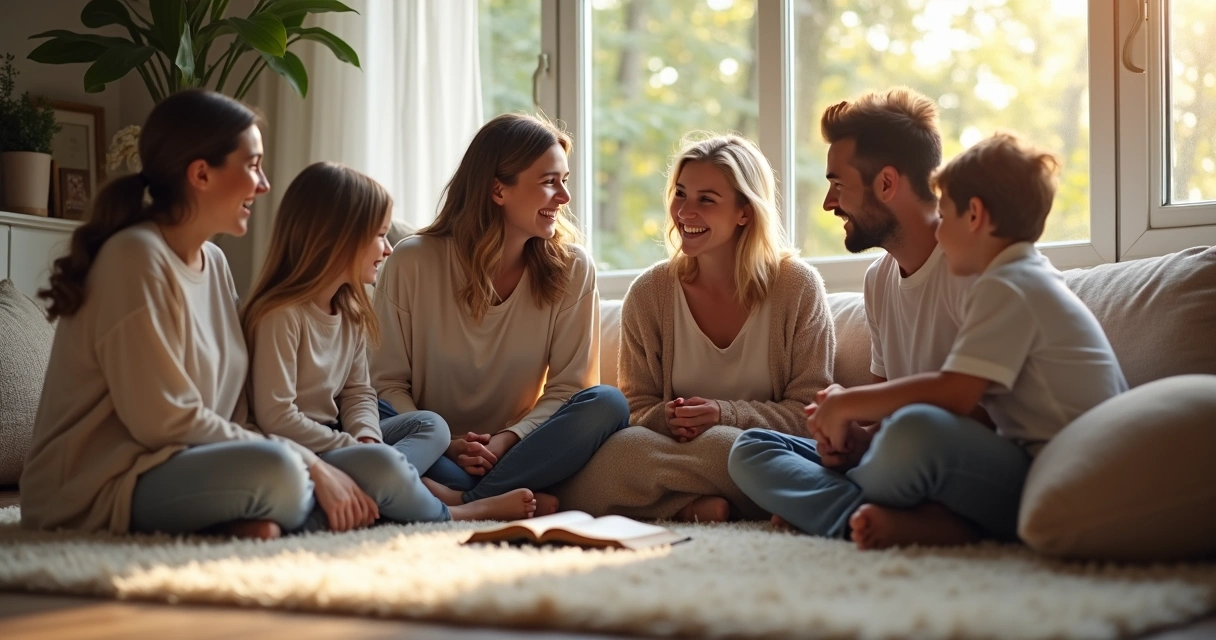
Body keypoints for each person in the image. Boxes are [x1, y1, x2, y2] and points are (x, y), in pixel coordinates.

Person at [808, 132, 1127, 549]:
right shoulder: (1014, 277)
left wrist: (847, 403)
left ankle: (832, 507)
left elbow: (954, 393)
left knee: (917, 430)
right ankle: (907, 519)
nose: (937, 234)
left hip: (1060, 477)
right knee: (765, 447)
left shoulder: (1011, 284)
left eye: (945, 216)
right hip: (1030, 468)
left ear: (974, 215)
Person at [22, 90, 306, 539]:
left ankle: (245, 517)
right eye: (252, 165)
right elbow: (163, 421)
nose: (264, 184)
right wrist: (301, 460)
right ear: (201, 174)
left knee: (339, 468)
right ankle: (254, 512)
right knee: (284, 470)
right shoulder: (134, 256)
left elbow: (231, 411)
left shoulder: (214, 263)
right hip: (93, 486)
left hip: (176, 464)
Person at [729, 87, 976, 539]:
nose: (828, 203)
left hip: (970, 461)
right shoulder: (879, 280)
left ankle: (854, 512)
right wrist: (859, 439)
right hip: (903, 460)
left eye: (838, 184)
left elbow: (986, 412)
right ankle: (896, 520)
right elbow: (885, 418)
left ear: (886, 183)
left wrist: (865, 417)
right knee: (751, 450)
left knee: (916, 431)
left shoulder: (974, 262)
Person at [552, 133, 835, 522]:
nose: (685, 211)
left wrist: (725, 415)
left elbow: (809, 414)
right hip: (672, 448)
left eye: (707, 200)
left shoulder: (797, 286)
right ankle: (707, 505)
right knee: (621, 452)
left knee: (736, 448)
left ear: (745, 212)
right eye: (680, 194)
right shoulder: (651, 292)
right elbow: (635, 409)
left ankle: (682, 503)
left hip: (752, 448)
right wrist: (664, 418)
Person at [243, 162, 538, 531]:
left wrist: (367, 435)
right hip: (298, 448)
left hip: (340, 439)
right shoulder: (281, 316)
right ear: (338, 239)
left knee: (433, 426)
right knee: (385, 467)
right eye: (380, 236)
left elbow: (358, 392)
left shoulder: (349, 311)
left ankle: (382, 493)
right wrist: (353, 446)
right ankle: (460, 511)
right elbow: (276, 417)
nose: (386, 250)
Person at [370, 113, 629, 515]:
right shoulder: (413, 262)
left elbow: (570, 388)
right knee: (370, 426)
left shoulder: (573, 268)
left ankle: (465, 502)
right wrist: (450, 443)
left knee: (608, 403)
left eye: (564, 181)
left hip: (517, 449)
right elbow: (385, 384)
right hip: (433, 449)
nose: (564, 197)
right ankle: (480, 495)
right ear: (498, 190)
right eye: (548, 182)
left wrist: (508, 437)